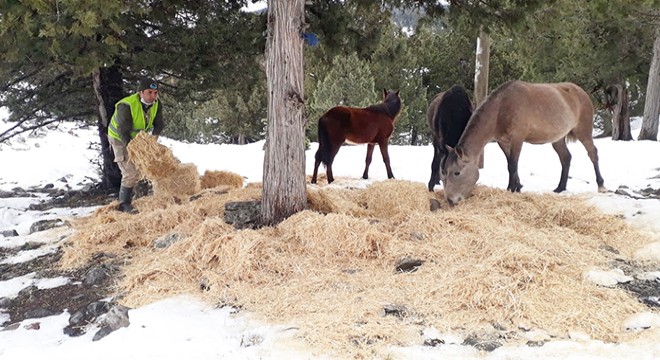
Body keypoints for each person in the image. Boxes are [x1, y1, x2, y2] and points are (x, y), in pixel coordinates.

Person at [107, 76, 165, 214]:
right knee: (130, 171)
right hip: (119, 138)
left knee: (147, 165)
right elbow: (123, 131)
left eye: (155, 93)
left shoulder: (157, 104)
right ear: (141, 93)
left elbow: (159, 124)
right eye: (149, 92)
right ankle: (124, 203)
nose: (153, 96)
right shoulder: (126, 105)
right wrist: (134, 149)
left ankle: (140, 194)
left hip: (138, 137)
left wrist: (152, 142)